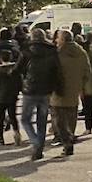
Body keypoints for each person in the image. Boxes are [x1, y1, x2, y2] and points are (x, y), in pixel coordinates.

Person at [16, 28, 60, 160]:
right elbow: (56, 69)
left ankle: (36, 142)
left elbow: (19, 68)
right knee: (42, 120)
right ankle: (38, 148)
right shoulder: (52, 50)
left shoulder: (27, 50)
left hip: (31, 88)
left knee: (25, 119)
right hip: (46, 89)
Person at [50, 29, 91, 157]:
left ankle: (67, 142)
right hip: (75, 89)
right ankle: (69, 140)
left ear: (62, 40)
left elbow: (51, 71)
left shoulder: (58, 53)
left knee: (59, 119)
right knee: (71, 116)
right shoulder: (81, 52)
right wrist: (82, 85)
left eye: (58, 38)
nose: (56, 40)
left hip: (59, 89)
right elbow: (87, 71)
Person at [0, 48, 23, 145]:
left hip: (0, 97)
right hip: (12, 97)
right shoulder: (15, 70)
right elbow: (20, 83)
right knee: (13, 116)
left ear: (1, 59)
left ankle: (0, 137)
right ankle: (17, 133)